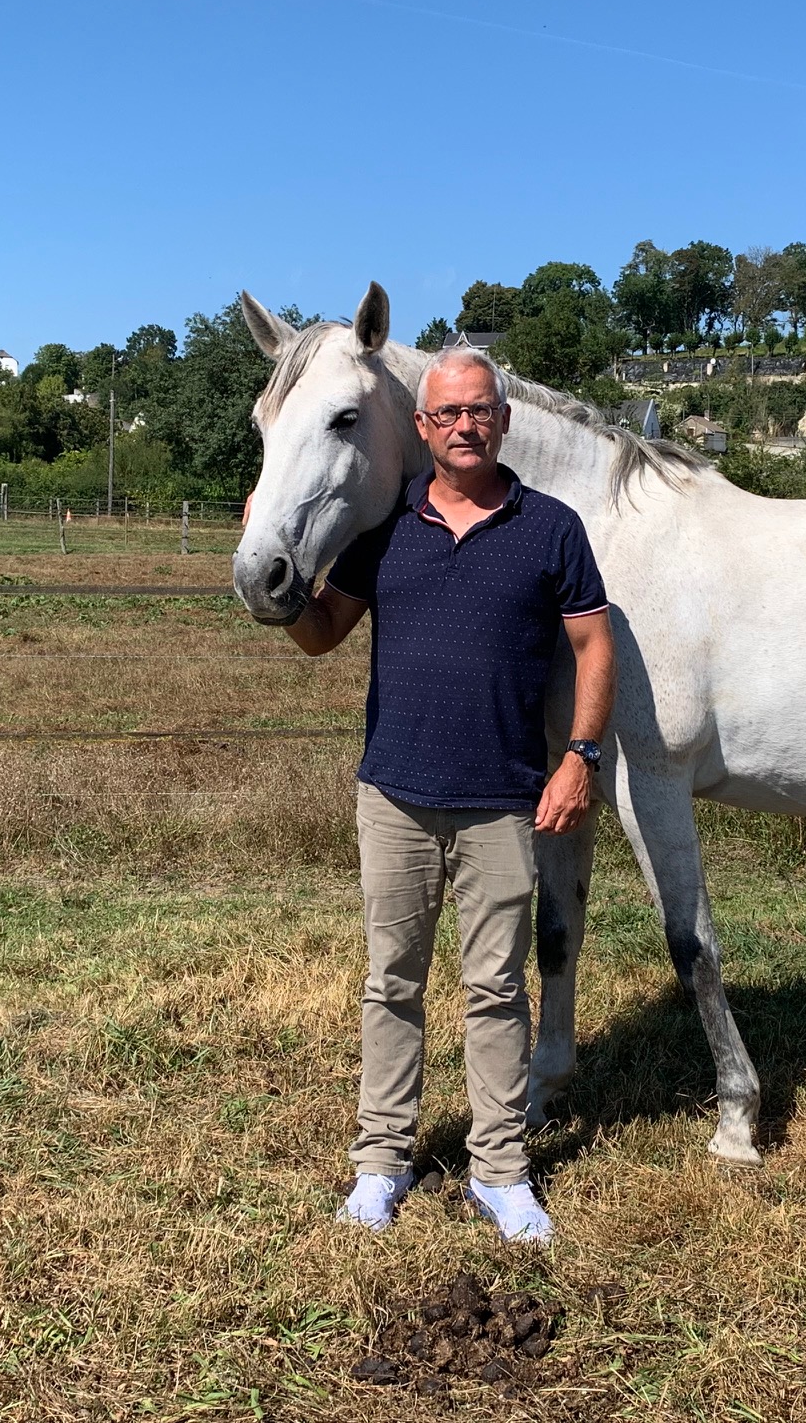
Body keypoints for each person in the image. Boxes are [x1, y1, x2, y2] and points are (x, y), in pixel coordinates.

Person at [267, 345, 614, 1245]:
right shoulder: (385, 531)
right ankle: (382, 1162)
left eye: (480, 410)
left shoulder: (552, 528)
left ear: (503, 420)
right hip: (395, 797)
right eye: (449, 413)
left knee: (496, 989)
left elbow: (594, 646)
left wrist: (580, 756)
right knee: (392, 984)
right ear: (423, 426)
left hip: (503, 799)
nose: (466, 425)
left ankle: (500, 1172)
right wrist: (277, 592)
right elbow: (322, 633)